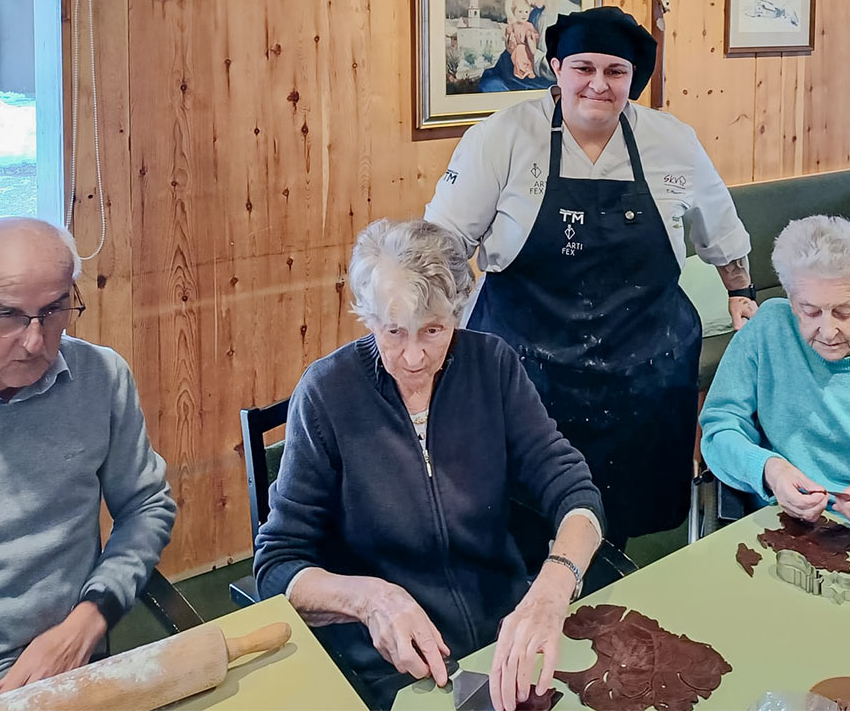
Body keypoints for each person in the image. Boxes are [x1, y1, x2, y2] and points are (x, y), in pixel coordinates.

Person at [426, 6, 755, 547]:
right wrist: (427, 328)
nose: (597, 85)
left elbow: (721, 230)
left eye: (615, 72)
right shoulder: (501, 139)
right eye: (583, 67)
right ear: (555, 67)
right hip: (525, 369)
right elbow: (442, 246)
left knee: (618, 518)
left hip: (642, 368)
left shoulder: (671, 141)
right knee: (518, 515)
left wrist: (740, 292)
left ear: (632, 79)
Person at [254, 219, 605, 711]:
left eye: (434, 331)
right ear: (368, 317)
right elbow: (276, 566)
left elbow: (575, 493)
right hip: (392, 667)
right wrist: (371, 600)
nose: (414, 357)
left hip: (505, 639)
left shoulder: (493, 366)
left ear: (458, 315)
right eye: (393, 331)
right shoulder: (326, 395)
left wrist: (551, 588)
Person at [0, 218, 176, 711]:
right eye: (6, 317)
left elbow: (145, 506)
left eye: (53, 312)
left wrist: (90, 619)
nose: (35, 342)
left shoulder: (101, 377)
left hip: (71, 666)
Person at [700, 216, 850, 554]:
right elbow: (720, 428)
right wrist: (770, 470)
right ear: (792, 302)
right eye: (809, 312)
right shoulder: (768, 330)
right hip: (780, 533)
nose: (826, 331)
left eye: (843, 312)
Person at [516, 0, 580, 81]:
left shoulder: (571, 13)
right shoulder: (535, 17)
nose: (529, 2)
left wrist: (534, 52)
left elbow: (565, 69)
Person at [505, 0, 540, 80]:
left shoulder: (529, 26)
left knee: (524, 51)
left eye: (526, 12)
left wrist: (531, 36)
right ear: (514, 13)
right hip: (516, 49)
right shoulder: (513, 26)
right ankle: (521, 71)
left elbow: (536, 35)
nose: (523, 15)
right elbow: (508, 37)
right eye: (520, 12)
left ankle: (528, 70)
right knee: (519, 49)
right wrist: (510, 34)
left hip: (527, 49)